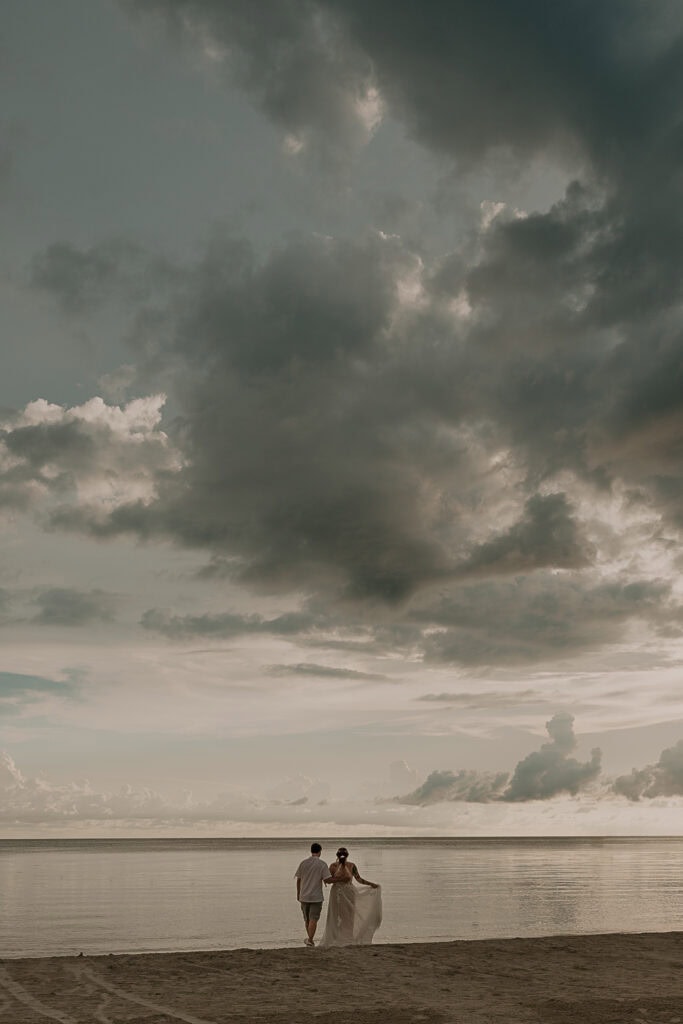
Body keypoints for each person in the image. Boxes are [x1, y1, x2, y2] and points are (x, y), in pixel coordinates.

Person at [320, 846, 382, 947]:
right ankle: (336, 937)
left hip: (348, 892)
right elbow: (327, 880)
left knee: (349, 914)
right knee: (336, 915)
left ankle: (348, 937)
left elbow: (358, 879)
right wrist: (340, 880)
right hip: (337, 893)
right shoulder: (333, 866)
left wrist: (371, 884)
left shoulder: (351, 866)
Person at [294, 842, 334, 946]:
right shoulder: (322, 864)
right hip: (316, 896)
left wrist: (298, 893)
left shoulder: (303, 863)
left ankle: (310, 940)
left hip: (304, 895)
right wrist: (338, 878)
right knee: (313, 919)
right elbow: (327, 879)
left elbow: (298, 880)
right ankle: (310, 940)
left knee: (307, 919)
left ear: (311, 851)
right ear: (320, 851)